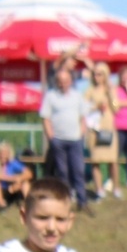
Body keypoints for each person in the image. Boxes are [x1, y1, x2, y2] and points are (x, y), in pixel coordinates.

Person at [40, 68, 91, 207]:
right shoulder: (50, 96)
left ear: (71, 81)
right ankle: (65, 200)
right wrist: (51, 137)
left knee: (78, 170)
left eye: (66, 81)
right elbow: (45, 118)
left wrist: (81, 134)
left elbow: (83, 117)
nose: (63, 84)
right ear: (56, 82)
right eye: (60, 81)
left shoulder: (77, 96)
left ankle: (82, 201)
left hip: (75, 140)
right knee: (62, 172)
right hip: (58, 140)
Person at [82, 63, 120, 200]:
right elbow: (83, 108)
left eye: (100, 74)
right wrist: (95, 107)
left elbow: (116, 108)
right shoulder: (89, 91)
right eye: (94, 74)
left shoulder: (111, 90)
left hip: (108, 127)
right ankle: (99, 189)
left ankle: (116, 188)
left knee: (112, 160)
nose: (96, 77)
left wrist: (110, 94)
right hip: (95, 128)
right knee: (95, 160)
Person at [0, 141, 31, 210]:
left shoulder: (12, 162)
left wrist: (19, 178)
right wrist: (11, 179)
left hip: (8, 188)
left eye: (5, 153)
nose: (3, 156)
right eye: (1, 153)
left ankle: (29, 204)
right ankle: (1, 204)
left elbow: (29, 173)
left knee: (25, 183)